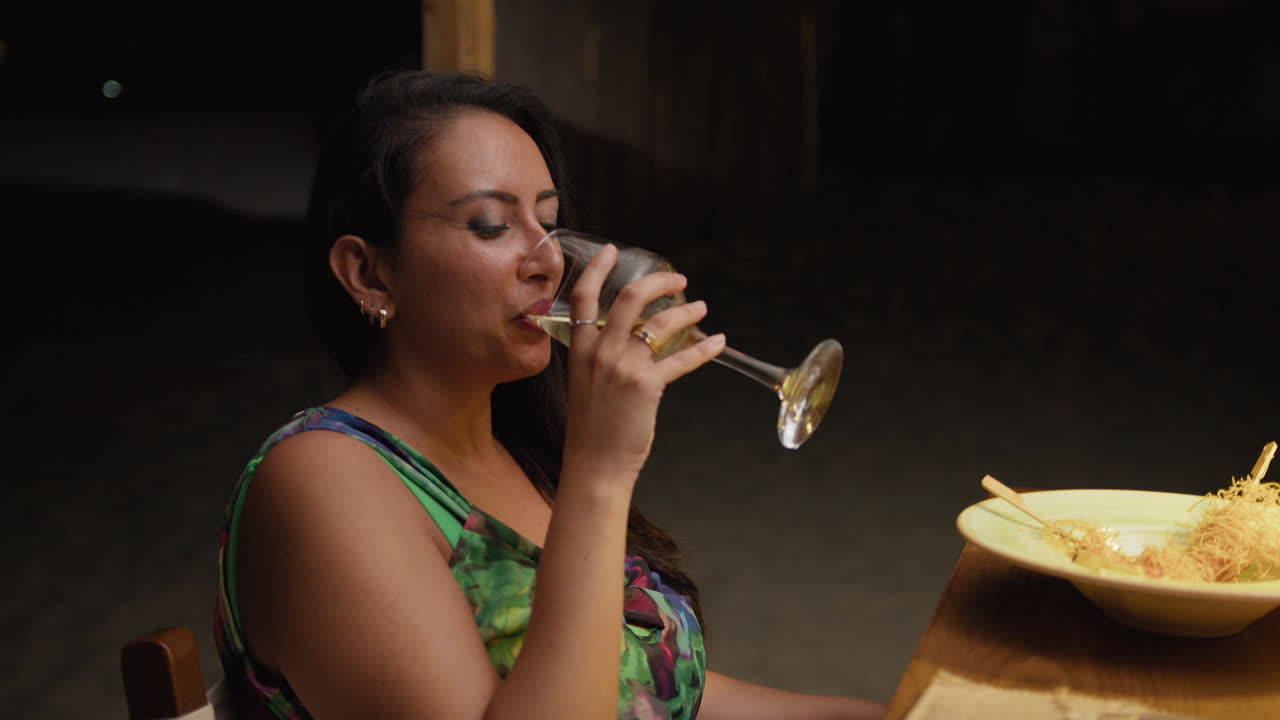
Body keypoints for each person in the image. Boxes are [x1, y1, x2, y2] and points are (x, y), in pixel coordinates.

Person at [213, 68, 888, 720]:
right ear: (368, 272)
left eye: (549, 222)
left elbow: (640, 692)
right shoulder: (324, 481)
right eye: (490, 225)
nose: (551, 261)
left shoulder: (514, 448)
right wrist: (599, 473)